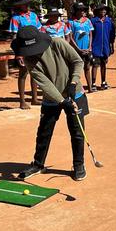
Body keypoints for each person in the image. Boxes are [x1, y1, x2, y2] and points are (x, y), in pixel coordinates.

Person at [12, 26, 89, 181]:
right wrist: (62, 101)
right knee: (44, 132)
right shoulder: (28, 59)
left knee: (77, 132)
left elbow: (77, 61)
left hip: (75, 93)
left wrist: (73, 83)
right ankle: (38, 164)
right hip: (51, 98)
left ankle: (78, 164)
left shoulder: (57, 43)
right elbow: (45, 84)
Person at [8, 0, 41, 109]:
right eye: (24, 3)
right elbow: (14, 37)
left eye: (27, 3)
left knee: (35, 73)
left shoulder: (34, 16)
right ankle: (22, 101)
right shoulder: (16, 18)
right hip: (23, 49)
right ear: (20, 5)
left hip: (35, 48)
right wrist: (18, 54)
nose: (26, 5)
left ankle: (34, 98)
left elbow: (39, 31)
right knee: (23, 73)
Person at [68, 2, 95, 93]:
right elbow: (70, 37)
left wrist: (89, 47)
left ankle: (90, 88)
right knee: (76, 70)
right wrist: (78, 49)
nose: (82, 11)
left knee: (87, 67)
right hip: (77, 50)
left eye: (83, 10)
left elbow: (90, 34)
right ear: (75, 11)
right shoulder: (71, 22)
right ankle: (75, 89)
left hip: (87, 49)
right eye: (80, 10)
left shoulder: (87, 21)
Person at [90, 4, 116, 91]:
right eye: (101, 10)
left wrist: (111, 45)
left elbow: (112, 35)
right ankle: (93, 83)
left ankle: (103, 82)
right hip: (95, 47)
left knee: (104, 64)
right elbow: (90, 35)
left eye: (105, 10)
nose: (103, 11)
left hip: (105, 46)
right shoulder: (93, 21)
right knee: (95, 65)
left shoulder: (109, 21)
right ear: (97, 11)